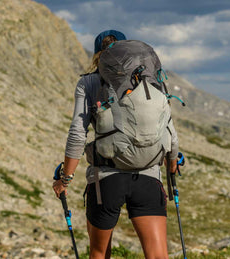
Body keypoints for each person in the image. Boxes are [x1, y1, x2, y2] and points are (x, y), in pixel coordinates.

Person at [52, 30, 179, 259]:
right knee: (158, 255)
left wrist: (65, 179)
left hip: (106, 179)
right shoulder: (149, 80)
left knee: (100, 253)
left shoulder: (89, 83)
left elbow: (77, 133)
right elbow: (169, 128)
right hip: (148, 176)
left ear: (98, 55)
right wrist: (172, 165)